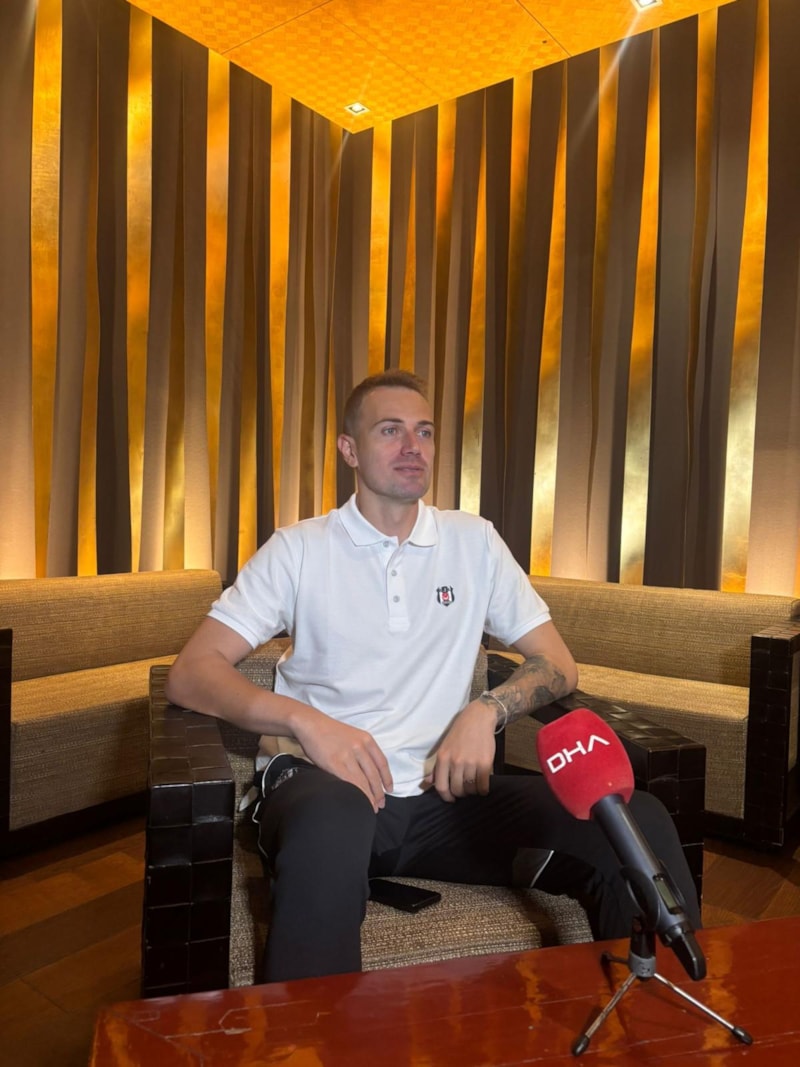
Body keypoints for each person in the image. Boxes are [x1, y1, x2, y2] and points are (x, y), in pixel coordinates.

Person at [166, 369, 700, 982]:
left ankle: (665, 1018)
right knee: (332, 821)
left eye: (423, 432)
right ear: (349, 450)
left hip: (443, 800)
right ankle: (309, 1031)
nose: (412, 446)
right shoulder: (298, 550)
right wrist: (306, 722)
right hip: (326, 791)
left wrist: (485, 711)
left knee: (636, 819)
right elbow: (191, 673)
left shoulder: (474, 543)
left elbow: (558, 662)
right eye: (390, 431)